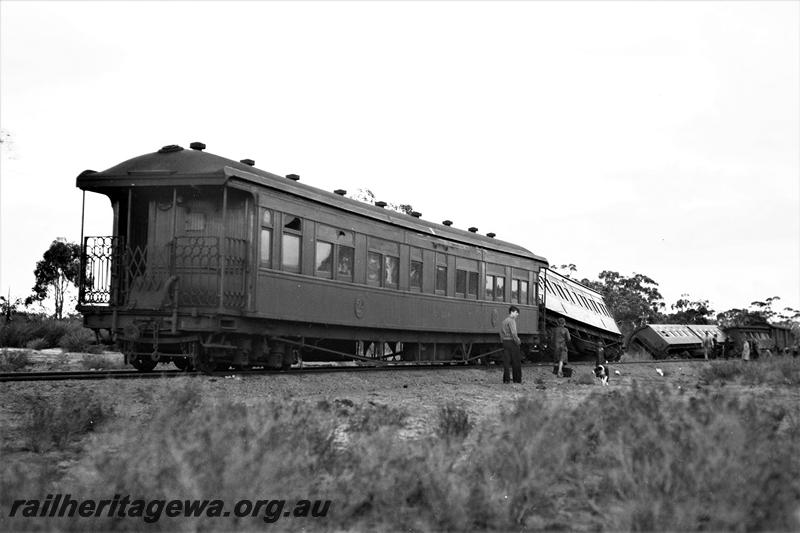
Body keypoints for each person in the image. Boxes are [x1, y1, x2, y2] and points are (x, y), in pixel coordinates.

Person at [499, 306, 522, 384]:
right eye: (516, 313)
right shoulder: (512, 321)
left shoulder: (504, 321)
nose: (517, 315)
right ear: (512, 312)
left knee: (506, 362)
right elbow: (514, 333)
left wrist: (503, 340)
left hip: (505, 342)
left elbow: (501, 333)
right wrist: (518, 341)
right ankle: (517, 379)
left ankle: (506, 379)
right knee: (516, 361)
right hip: (512, 342)